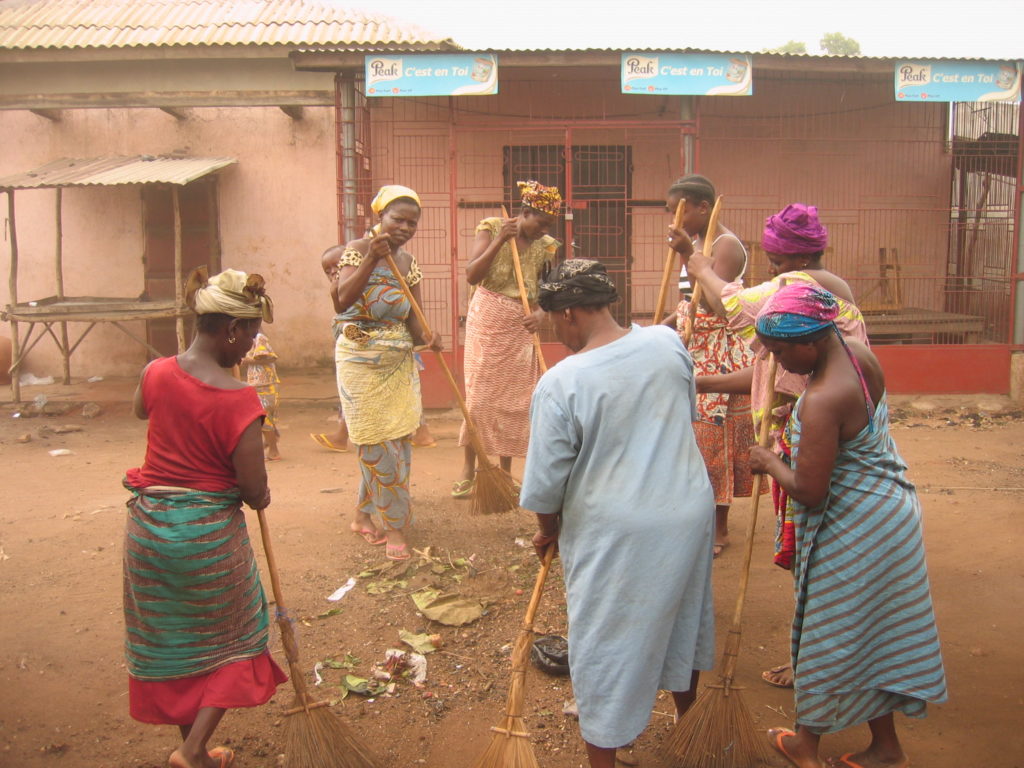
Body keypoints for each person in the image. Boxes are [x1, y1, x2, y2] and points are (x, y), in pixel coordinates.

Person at [520, 259, 715, 768]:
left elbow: (544, 486)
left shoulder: (562, 382)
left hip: (618, 528)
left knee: (604, 638)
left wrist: (547, 531)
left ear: (569, 315)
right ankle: (688, 727)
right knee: (682, 615)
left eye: (554, 324)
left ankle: (603, 756)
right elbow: (685, 412)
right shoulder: (666, 343)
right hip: (688, 510)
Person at [669, 203, 869, 689]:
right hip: (815, 445)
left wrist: (696, 264)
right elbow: (767, 367)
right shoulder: (829, 301)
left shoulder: (797, 292)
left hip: (816, 452)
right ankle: (812, 659)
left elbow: (734, 308)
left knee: (819, 559)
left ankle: (819, 668)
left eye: (772, 260)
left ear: (781, 259)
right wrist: (703, 381)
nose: (772, 355)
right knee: (810, 557)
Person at [747, 283, 947, 768]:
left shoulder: (821, 398)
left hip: (856, 526)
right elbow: (848, 430)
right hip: (889, 512)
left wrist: (769, 461)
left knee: (828, 632)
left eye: (779, 351)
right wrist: (797, 422)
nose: (776, 362)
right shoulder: (857, 354)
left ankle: (804, 746)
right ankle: (886, 747)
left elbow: (811, 491)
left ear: (810, 342)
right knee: (871, 630)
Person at [123, 268, 286, 768]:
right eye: (252, 333)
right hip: (206, 539)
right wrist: (262, 495)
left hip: (150, 531)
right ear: (230, 330)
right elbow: (253, 491)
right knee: (239, 636)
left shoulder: (156, 372)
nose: (253, 345)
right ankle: (193, 750)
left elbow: (139, 411)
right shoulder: (240, 400)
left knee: (177, 637)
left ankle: (193, 745)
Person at [332, 185, 440, 561]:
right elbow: (341, 299)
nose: (405, 227)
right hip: (358, 359)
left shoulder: (409, 263)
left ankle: (363, 516)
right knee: (375, 443)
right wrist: (369, 260)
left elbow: (415, 321)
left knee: (397, 444)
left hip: (399, 363)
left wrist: (429, 336)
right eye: (398, 219)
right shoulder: (356, 251)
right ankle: (395, 527)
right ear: (378, 218)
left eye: (412, 223)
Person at [660, 174, 760, 557]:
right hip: (694, 347)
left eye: (680, 210)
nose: (674, 219)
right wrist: (656, 329)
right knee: (693, 440)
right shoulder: (699, 243)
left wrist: (689, 256)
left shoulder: (726, 246)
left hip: (721, 353)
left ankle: (720, 528)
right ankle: (694, 518)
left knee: (712, 440)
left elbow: (719, 305)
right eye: (671, 212)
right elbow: (688, 304)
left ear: (703, 207)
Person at [453, 180, 561, 498]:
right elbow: (473, 275)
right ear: (525, 212)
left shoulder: (547, 246)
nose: (544, 230)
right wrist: (501, 239)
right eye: (541, 223)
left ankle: (504, 473)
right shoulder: (491, 227)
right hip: (487, 321)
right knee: (480, 401)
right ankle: (470, 469)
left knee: (515, 403)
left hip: (521, 326)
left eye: (549, 225)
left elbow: (548, 289)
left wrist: (542, 312)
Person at [312, 246, 435, 453]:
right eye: (328, 270)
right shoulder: (346, 285)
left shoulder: (366, 279)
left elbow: (350, 309)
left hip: (387, 344)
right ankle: (419, 433)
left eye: (337, 266)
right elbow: (342, 306)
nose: (334, 272)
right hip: (365, 347)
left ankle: (420, 433)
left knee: (401, 396)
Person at [241, 330, 281, 460]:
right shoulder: (255, 339)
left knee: (262, 418)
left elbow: (266, 357)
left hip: (264, 384)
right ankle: (272, 441)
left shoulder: (260, 338)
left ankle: (274, 451)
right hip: (263, 384)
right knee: (266, 417)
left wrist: (246, 360)